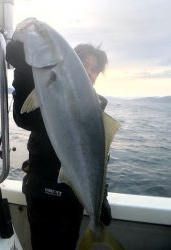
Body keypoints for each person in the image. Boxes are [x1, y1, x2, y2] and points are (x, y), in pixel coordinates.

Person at [6, 41, 111, 250]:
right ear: (71, 64)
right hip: (42, 192)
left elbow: (98, 158)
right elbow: (24, 117)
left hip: (72, 198)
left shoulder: (96, 112)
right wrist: (23, 70)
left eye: (94, 69)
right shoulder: (50, 91)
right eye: (84, 65)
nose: (89, 73)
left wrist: (102, 194)